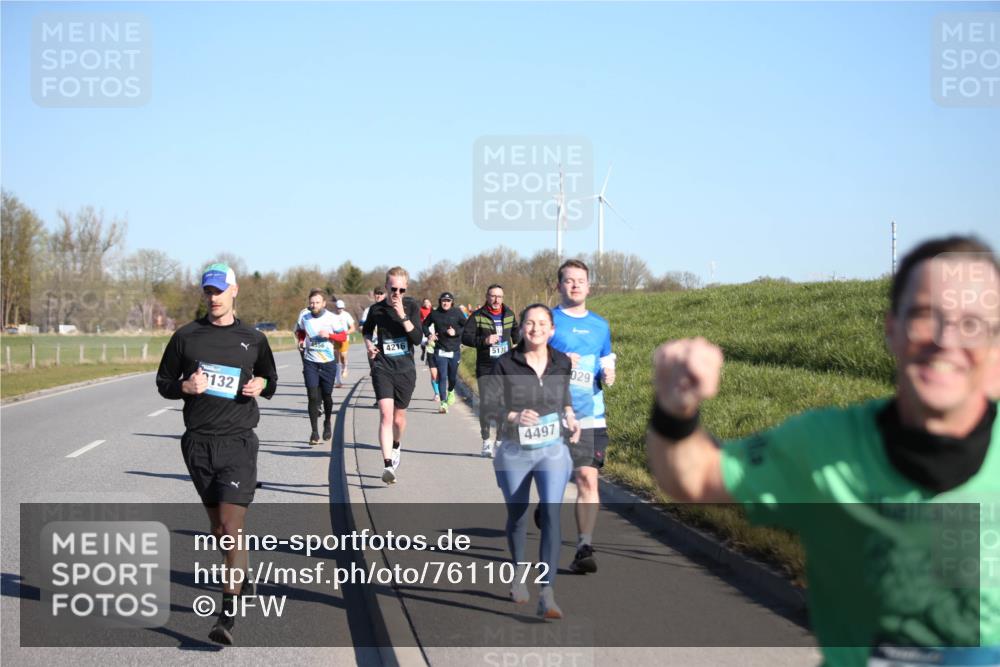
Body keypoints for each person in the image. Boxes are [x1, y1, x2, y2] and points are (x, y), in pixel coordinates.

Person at [646, 235, 1000, 666]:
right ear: (891, 329)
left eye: (972, 324)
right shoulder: (824, 446)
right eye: (926, 316)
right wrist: (675, 410)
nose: (946, 339)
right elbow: (695, 476)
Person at [155, 262, 278, 646]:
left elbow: (270, 378)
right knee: (219, 531)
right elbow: (163, 383)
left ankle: (227, 616)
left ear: (234, 291)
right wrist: (185, 387)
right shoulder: (185, 337)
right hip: (198, 444)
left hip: (239, 441)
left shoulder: (253, 338)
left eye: (219, 290)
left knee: (230, 526)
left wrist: (261, 383)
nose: (213, 297)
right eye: (208, 291)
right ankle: (241, 571)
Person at [484, 303, 581, 619]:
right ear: (521, 328)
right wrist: (513, 415)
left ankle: (547, 593)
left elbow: (564, 397)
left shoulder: (562, 362)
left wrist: (570, 416)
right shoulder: (505, 364)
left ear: (552, 329)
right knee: (519, 514)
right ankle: (517, 575)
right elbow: (490, 407)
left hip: (552, 449)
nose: (535, 328)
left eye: (542, 323)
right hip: (515, 451)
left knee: (552, 511)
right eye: (529, 323)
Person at [549, 259, 616, 574]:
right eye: (568, 280)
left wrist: (609, 369)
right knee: (552, 478)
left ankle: (584, 545)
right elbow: (527, 357)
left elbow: (606, 356)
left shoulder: (600, 325)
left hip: (591, 413)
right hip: (551, 414)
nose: (575, 285)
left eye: (580, 280)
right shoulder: (548, 321)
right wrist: (560, 360)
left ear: (589, 286)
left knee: (588, 477)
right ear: (559, 286)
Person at [362, 267, 423, 484]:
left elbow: (417, 338)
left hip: (405, 369)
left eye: (401, 289)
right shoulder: (376, 310)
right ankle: (387, 465)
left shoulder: (412, 306)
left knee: (399, 419)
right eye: (393, 288)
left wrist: (403, 316)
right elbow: (366, 331)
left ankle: (397, 445)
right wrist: (369, 344)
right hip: (383, 367)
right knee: (386, 415)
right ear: (386, 287)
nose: (397, 293)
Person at [462, 283, 520, 457]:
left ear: (503, 298)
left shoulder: (509, 314)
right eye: (493, 296)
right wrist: (484, 341)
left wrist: (518, 347)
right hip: (486, 366)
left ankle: (499, 440)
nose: (496, 300)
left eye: (499, 297)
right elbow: (466, 337)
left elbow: (516, 332)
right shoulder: (478, 316)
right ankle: (486, 440)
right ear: (487, 297)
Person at [294, 289, 344, 444]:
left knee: (327, 396)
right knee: (312, 396)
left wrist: (330, 335)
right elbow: (300, 331)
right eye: (311, 302)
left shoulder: (332, 318)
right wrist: (301, 340)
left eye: (317, 302)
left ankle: (327, 422)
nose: (313, 305)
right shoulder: (304, 316)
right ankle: (314, 432)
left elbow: (343, 336)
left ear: (323, 303)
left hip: (328, 362)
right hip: (310, 361)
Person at [422, 291, 467, 413]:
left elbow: (466, 326)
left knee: (452, 377)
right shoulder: (435, 314)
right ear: (440, 301)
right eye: (443, 301)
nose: (445, 303)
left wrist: (456, 332)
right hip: (440, 349)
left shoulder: (457, 312)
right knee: (442, 376)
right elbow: (424, 325)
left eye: (448, 301)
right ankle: (443, 403)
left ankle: (451, 391)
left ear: (452, 302)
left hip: (454, 350)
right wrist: (429, 335)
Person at [329, 298, 357, 388]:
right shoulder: (331, 315)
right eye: (338, 308)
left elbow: (353, 328)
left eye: (341, 308)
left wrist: (345, 333)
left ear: (343, 308)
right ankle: (338, 381)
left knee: (343, 356)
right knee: (336, 359)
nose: (339, 310)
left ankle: (345, 368)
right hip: (334, 339)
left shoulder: (346, 315)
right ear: (335, 307)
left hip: (344, 339)